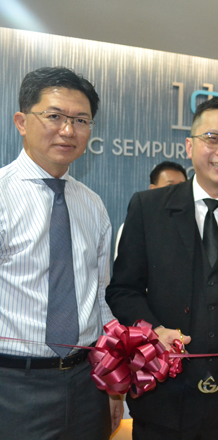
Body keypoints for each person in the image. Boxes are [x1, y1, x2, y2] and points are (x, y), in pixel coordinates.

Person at [106, 96, 218, 439]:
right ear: (190, 146)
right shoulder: (148, 208)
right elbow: (123, 289)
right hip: (161, 394)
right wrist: (154, 330)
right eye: (213, 138)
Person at [0, 67, 122, 438]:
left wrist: (112, 381)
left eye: (81, 120)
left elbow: (100, 298)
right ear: (22, 121)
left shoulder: (92, 205)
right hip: (12, 386)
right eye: (54, 116)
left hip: (88, 383)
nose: (68, 130)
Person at [114, 161, 187, 258]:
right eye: (170, 187)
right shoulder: (137, 227)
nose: (177, 192)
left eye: (182, 187)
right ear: (153, 190)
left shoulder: (192, 224)